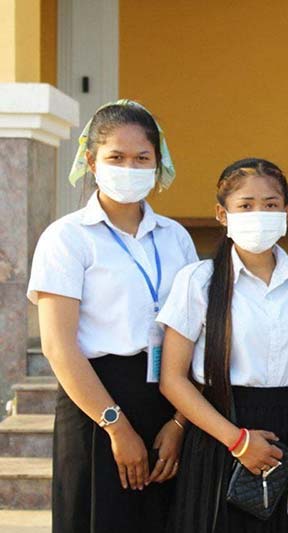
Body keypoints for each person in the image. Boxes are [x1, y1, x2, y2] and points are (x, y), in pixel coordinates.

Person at [26, 100, 198, 533]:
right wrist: (116, 428)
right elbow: (58, 346)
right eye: (116, 157)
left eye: (142, 158)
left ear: (157, 165)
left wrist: (180, 423)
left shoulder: (175, 238)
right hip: (96, 404)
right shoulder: (67, 237)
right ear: (92, 162)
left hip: (168, 396)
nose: (129, 168)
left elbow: (196, 331)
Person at [158, 158, 288, 532]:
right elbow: (173, 379)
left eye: (270, 204)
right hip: (219, 429)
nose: (259, 214)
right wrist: (237, 441)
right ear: (223, 214)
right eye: (246, 205)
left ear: (287, 210)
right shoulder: (198, 280)